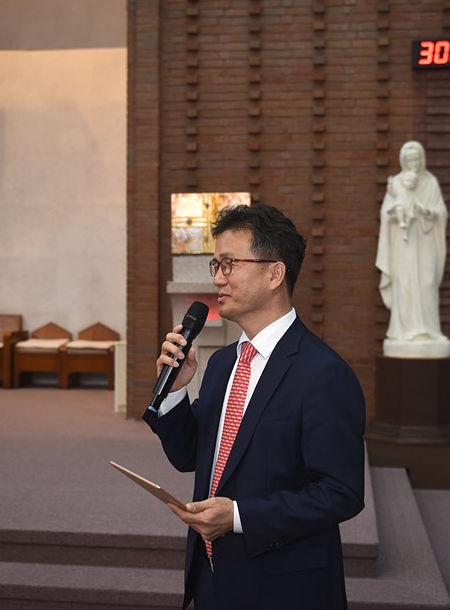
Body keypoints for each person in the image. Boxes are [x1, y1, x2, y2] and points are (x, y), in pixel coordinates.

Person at [145, 203, 366, 610]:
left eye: (229, 264)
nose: (217, 278)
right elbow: (190, 455)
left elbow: (341, 493)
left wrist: (238, 516)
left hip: (283, 587)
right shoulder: (222, 364)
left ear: (274, 274)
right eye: (216, 264)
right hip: (212, 575)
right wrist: (174, 392)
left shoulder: (323, 373)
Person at [375, 140, 450, 358]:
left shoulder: (431, 183)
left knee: (426, 282)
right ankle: (404, 331)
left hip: (426, 243)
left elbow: (441, 212)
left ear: (422, 159)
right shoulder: (397, 182)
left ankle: (429, 330)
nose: (413, 163)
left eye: (416, 159)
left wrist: (427, 212)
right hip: (404, 245)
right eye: (409, 160)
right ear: (403, 161)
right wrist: (396, 213)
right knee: (406, 283)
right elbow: (386, 214)